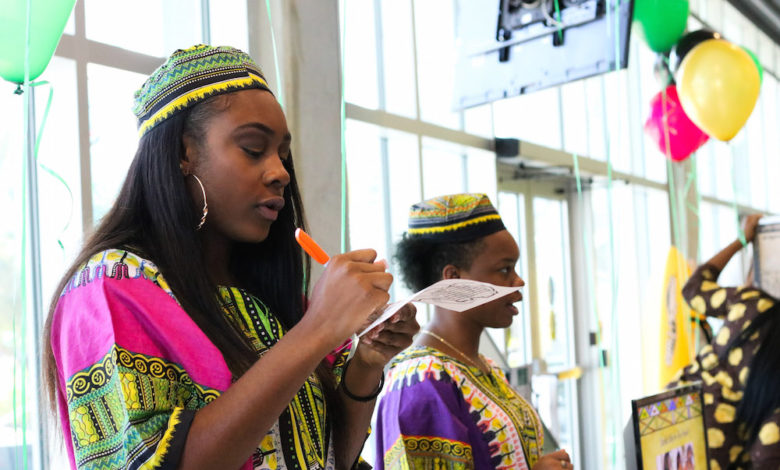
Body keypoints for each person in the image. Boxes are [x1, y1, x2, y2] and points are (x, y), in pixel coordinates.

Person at [43, 44, 419, 470]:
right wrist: (319, 328)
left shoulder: (265, 298)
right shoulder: (111, 286)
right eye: (254, 149)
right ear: (185, 153)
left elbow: (330, 456)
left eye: (283, 154)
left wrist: (366, 364)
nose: (280, 172)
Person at [374, 193, 573, 469]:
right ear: (453, 279)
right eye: (504, 269)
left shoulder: (481, 367)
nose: (518, 281)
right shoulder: (421, 381)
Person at [668, 214, 780, 469]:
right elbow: (767, 454)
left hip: (663, 421)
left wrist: (741, 240)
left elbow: (693, 289)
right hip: (718, 451)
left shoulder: (750, 302)